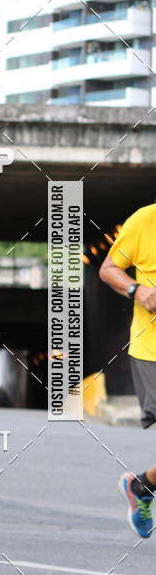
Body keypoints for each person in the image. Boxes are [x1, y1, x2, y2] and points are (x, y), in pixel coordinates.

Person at [99, 202, 156, 538]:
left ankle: (142, 487)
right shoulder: (145, 220)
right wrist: (138, 289)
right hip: (152, 351)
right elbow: (107, 269)